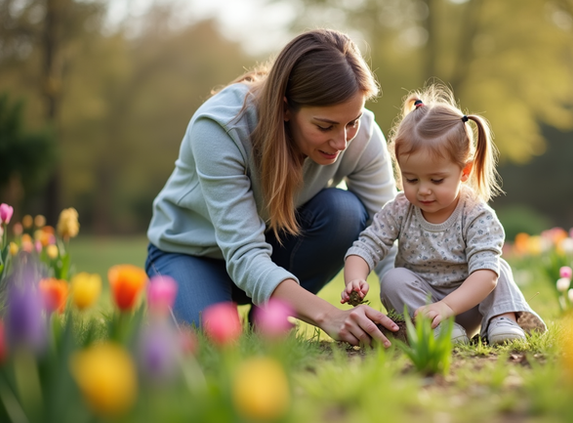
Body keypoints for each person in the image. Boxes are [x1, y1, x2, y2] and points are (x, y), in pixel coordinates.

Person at [145, 28, 400, 347]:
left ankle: (266, 316)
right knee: (211, 344)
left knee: (345, 212)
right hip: (194, 253)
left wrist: (412, 307)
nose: (341, 141)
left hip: (276, 246)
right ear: (285, 108)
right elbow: (244, 253)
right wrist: (329, 316)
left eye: (352, 121)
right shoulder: (220, 127)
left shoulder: (361, 137)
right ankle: (189, 296)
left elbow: (388, 234)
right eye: (325, 126)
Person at [341, 85, 546, 345]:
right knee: (393, 278)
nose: (423, 190)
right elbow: (368, 244)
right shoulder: (400, 208)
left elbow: (484, 276)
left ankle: (501, 319)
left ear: (464, 171)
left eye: (436, 180)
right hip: (423, 307)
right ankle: (437, 331)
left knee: (495, 270)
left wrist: (448, 307)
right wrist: (356, 278)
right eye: (411, 178)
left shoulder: (475, 214)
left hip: (469, 302)